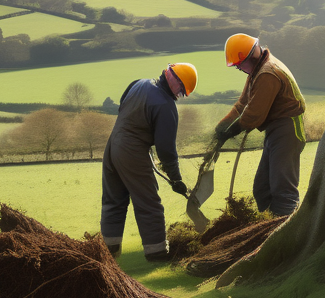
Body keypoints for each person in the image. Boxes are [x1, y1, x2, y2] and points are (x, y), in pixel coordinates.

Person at [100, 62, 197, 262]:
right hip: (131, 151)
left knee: (113, 200)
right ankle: (157, 252)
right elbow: (166, 148)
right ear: (175, 81)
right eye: (181, 90)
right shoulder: (165, 105)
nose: (179, 95)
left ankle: (108, 253)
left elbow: (122, 106)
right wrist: (176, 178)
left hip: (112, 146)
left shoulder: (139, 83)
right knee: (148, 202)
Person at [215, 34, 306, 216]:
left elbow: (253, 114)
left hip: (287, 130)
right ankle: (265, 228)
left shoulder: (267, 73)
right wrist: (221, 126)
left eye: (239, 64)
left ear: (250, 57)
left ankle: (282, 232)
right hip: (275, 130)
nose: (239, 68)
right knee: (262, 189)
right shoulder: (257, 70)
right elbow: (242, 103)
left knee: (282, 189)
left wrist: (233, 130)